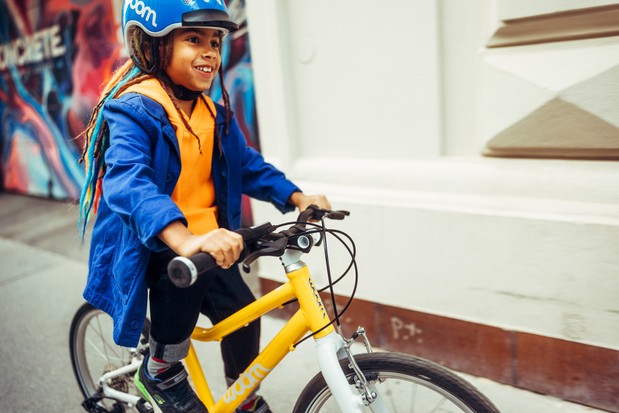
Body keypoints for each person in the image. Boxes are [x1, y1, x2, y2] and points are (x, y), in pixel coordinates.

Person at [77, 1, 330, 412]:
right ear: (153, 46)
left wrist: (297, 197)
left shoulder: (214, 113)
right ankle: (159, 370)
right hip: (159, 242)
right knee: (182, 283)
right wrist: (182, 238)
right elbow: (127, 181)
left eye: (215, 40)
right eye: (193, 39)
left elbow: (248, 166)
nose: (210, 51)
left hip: (212, 242)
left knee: (245, 313)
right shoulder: (135, 108)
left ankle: (242, 395)